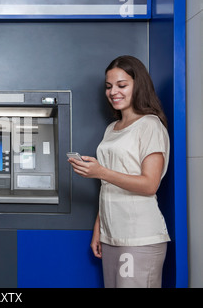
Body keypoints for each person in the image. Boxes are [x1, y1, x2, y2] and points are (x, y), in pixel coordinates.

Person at [68, 55, 170, 288]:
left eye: (122, 85)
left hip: (140, 236)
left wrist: (100, 171)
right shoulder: (112, 129)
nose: (113, 91)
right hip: (113, 235)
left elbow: (149, 184)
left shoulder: (150, 125)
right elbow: (108, 187)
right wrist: (100, 230)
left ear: (138, 85)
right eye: (109, 86)